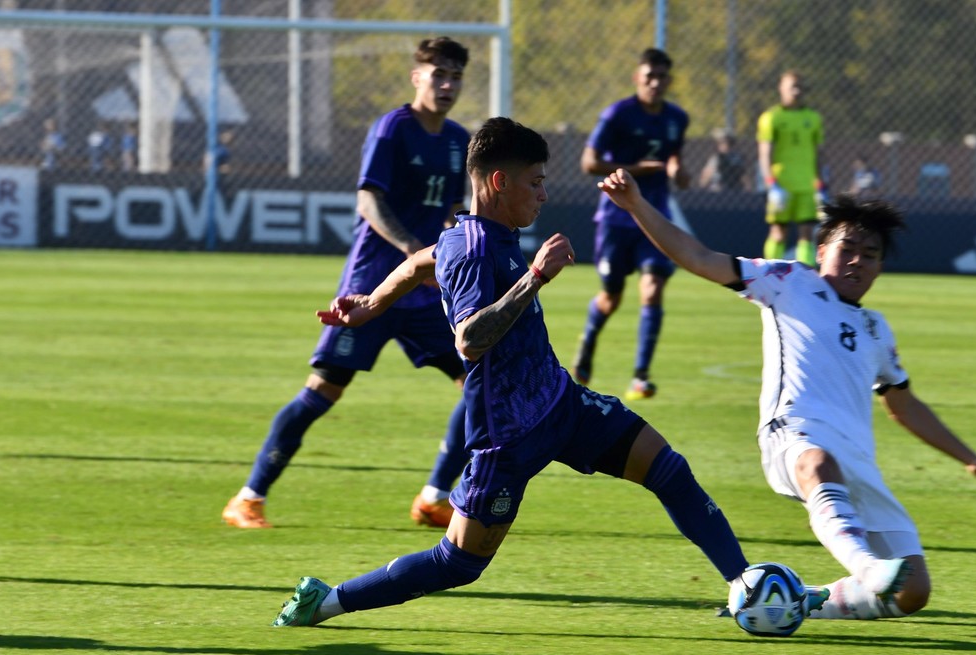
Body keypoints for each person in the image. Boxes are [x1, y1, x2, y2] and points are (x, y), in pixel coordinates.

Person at [271, 117, 758, 628]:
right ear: (499, 182)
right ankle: (326, 600)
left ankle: (745, 584)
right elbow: (469, 340)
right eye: (536, 181)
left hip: (561, 405)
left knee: (668, 470)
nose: (544, 194)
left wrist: (372, 303)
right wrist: (535, 278)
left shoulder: (482, 234)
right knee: (458, 563)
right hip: (508, 436)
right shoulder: (477, 250)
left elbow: (420, 263)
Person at [597, 168, 976, 621]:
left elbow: (903, 404)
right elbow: (699, 256)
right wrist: (637, 206)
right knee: (818, 466)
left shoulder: (876, 328)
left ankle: (797, 602)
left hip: (857, 461)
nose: (857, 261)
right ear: (822, 250)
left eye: (870, 255)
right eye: (847, 249)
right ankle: (866, 568)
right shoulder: (788, 281)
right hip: (794, 436)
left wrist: (970, 458)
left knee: (913, 592)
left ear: (880, 267)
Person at [222, 37, 474, 529]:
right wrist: (408, 248)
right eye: (438, 74)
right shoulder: (392, 130)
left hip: (423, 293)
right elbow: (368, 200)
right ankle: (248, 497)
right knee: (323, 391)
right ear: (416, 76)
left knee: (480, 382)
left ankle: (434, 497)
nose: (447, 85)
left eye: (456, 77)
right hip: (370, 291)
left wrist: (451, 241)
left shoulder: (457, 140)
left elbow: (446, 210)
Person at [571, 48, 691, 401]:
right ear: (637, 77)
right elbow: (589, 163)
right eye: (648, 76)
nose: (655, 83)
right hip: (615, 218)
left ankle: (641, 376)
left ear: (669, 80)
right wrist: (638, 169)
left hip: (654, 219)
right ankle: (589, 342)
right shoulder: (618, 115)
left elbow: (675, 165)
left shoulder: (677, 119)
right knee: (611, 297)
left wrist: (678, 172)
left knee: (652, 289)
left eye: (661, 77)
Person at [757, 70, 825, 266]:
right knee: (778, 232)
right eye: (791, 87)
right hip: (782, 184)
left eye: (799, 87)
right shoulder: (771, 117)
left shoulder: (813, 118)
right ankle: (770, 274)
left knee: (807, 234)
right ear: (781, 89)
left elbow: (819, 153)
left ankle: (805, 279)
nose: (796, 92)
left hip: (806, 185)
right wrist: (772, 184)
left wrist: (821, 184)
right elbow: (765, 153)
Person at [698, 128, 750, 192]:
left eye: (727, 142)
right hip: (717, 189)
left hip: (734, 188)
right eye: (721, 143)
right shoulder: (715, 158)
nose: (725, 145)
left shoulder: (736, 158)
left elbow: (743, 175)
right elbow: (705, 177)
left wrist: (748, 188)